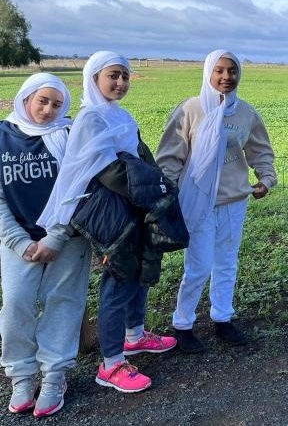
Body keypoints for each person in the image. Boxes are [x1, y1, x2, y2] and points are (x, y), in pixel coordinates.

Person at [38, 52, 185, 394]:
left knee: (140, 272)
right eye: (113, 76)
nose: (120, 83)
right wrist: (156, 189)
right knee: (118, 279)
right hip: (112, 214)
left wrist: (152, 186)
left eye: (125, 76)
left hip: (134, 207)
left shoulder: (119, 115)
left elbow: (137, 156)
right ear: (94, 79)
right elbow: (110, 170)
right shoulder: (91, 119)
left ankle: (134, 336)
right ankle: (111, 363)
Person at [156, 50, 277, 352]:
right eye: (219, 71)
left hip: (234, 200)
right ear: (208, 73)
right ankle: (183, 323)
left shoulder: (246, 113)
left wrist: (265, 179)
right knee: (199, 265)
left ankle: (222, 318)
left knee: (226, 262)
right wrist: (167, 192)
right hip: (198, 201)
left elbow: (261, 151)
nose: (226, 77)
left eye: (232, 71)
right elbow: (170, 157)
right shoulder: (190, 110)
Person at [0, 74, 90, 417]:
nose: (48, 109)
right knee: (16, 304)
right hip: (16, 239)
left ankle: (54, 376)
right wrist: (20, 242)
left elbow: (80, 189)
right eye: (42, 100)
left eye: (56, 103)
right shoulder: (3, 135)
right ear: (25, 98)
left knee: (63, 302)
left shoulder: (68, 136)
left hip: (67, 238)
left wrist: (56, 236)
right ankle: (21, 375)